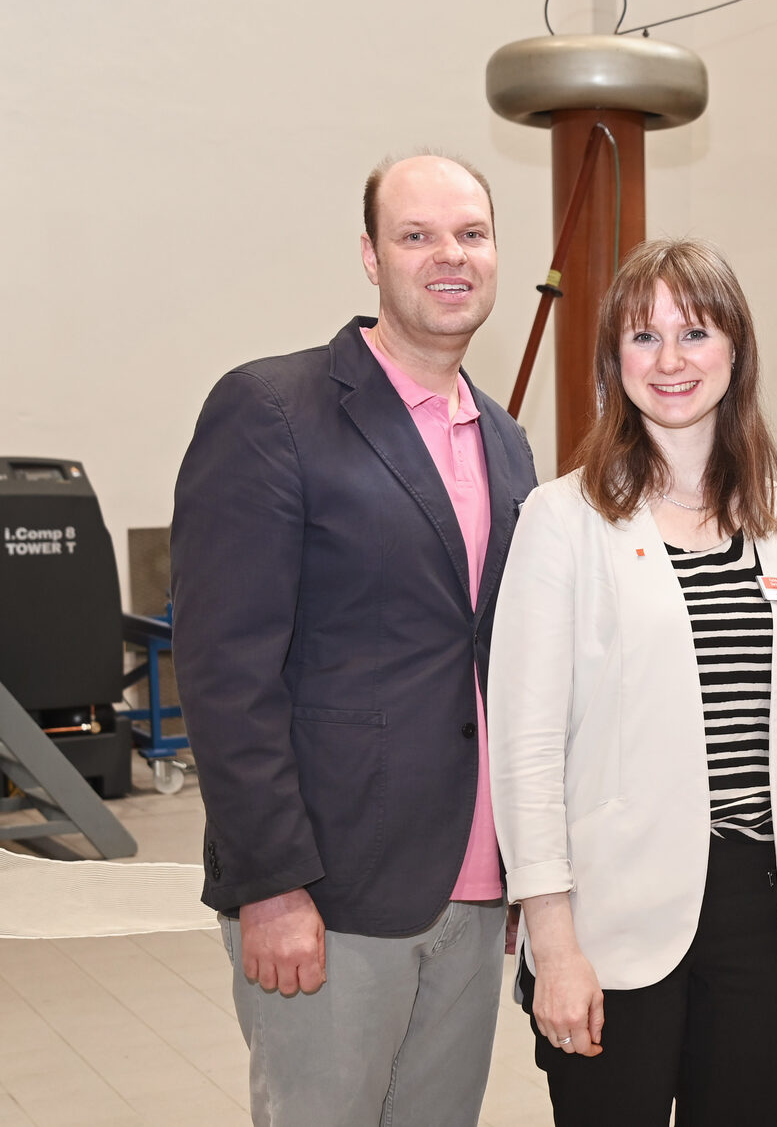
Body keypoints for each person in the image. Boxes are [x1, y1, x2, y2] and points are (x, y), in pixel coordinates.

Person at [171, 153, 539, 1127]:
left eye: (471, 234)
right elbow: (224, 670)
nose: (449, 255)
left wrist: (520, 868)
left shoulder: (505, 442)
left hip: (472, 890)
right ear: (372, 257)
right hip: (328, 893)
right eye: (417, 235)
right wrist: (272, 884)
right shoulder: (273, 411)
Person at [489, 237, 777, 1126]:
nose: (670, 360)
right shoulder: (561, 520)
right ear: (614, 360)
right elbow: (526, 750)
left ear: (735, 349)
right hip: (610, 917)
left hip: (761, 914)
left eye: (694, 332)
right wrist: (554, 942)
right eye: (643, 336)